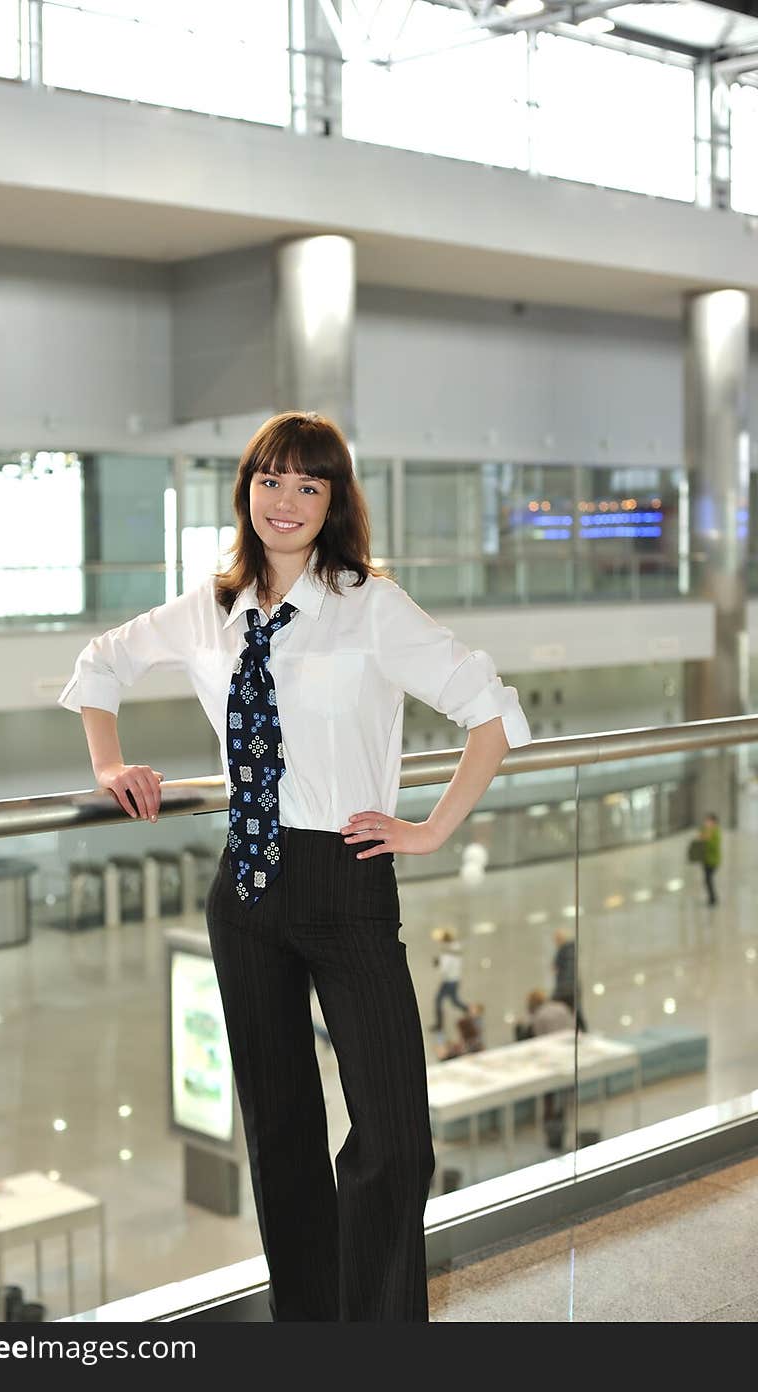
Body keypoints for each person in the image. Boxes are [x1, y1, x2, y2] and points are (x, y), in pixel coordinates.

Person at [58, 411, 531, 1323]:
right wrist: (109, 764)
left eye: (309, 485)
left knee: (396, 1137)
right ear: (247, 490)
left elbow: (492, 710)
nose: (286, 500)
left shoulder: (369, 605)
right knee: (280, 1137)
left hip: (347, 879)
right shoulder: (209, 608)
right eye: (271, 479)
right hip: (245, 888)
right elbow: (99, 665)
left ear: (333, 502)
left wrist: (431, 829)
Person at [515, 988, 575, 1149]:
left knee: (549, 1097)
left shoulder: (538, 1017)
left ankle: (551, 1132)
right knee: (564, 1097)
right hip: (570, 1057)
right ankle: (561, 1124)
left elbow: (539, 1043)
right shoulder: (561, 1008)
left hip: (553, 1062)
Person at [430, 926, 470, 1035]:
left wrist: (437, 963)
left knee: (439, 1001)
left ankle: (439, 1025)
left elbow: (444, 969)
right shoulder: (455, 949)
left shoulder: (448, 952)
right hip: (454, 979)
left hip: (448, 981)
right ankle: (468, 1011)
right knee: (454, 1001)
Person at [551, 928, 587, 1033]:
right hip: (571, 988)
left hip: (567, 989)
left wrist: (558, 993)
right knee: (576, 1014)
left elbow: (563, 971)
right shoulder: (569, 951)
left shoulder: (564, 951)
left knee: (571, 1014)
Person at [699, 812, 721, 907]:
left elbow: (714, 846)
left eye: (709, 821)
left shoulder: (716, 832)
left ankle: (712, 899)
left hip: (713, 861)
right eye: (706, 820)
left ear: (714, 822)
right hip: (705, 860)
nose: (707, 822)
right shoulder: (704, 830)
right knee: (707, 880)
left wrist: (707, 839)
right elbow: (700, 838)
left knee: (708, 879)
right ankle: (711, 898)